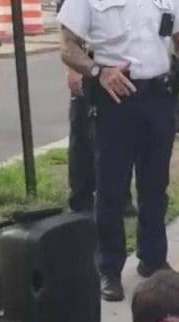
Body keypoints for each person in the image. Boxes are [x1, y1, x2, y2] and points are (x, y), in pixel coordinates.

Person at [58, 0, 179, 302]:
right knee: (111, 190)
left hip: (158, 97)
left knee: (155, 186)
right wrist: (98, 70)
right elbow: (67, 47)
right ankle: (109, 269)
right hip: (114, 99)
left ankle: (153, 259)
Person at [57, 0, 137, 216]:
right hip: (90, 70)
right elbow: (68, 34)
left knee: (120, 139)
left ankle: (121, 197)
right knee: (83, 134)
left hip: (120, 71)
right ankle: (81, 197)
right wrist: (73, 71)